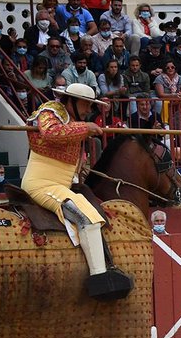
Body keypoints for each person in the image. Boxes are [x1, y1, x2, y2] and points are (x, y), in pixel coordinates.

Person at [18, 82, 131, 299]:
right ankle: (100, 278)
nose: (89, 110)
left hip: (60, 184)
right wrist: (85, 129)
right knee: (85, 217)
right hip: (41, 185)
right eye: (86, 104)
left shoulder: (72, 119)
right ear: (70, 101)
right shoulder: (50, 110)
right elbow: (50, 133)